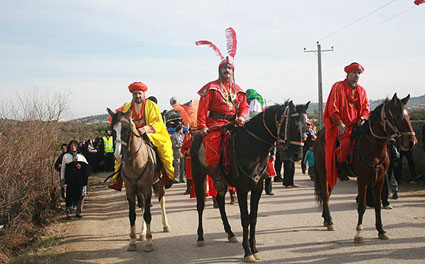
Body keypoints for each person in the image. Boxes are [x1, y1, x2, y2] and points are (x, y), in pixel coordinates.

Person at [108, 82, 175, 191]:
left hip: (151, 135)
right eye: (135, 94)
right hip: (133, 136)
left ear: (144, 94)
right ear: (132, 95)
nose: (137, 96)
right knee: (120, 152)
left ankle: (168, 174)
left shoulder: (151, 105)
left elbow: (158, 122)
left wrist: (145, 129)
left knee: (164, 150)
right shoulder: (127, 107)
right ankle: (118, 179)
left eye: (139, 93)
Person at [197, 56, 249, 195]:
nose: (227, 70)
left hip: (234, 123)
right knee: (213, 145)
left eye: (230, 68)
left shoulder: (238, 89)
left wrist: (242, 117)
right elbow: (202, 108)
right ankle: (217, 178)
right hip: (215, 124)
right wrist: (202, 125)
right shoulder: (211, 87)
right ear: (220, 70)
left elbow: (244, 106)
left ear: (233, 71)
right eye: (225, 68)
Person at [323, 62, 369, 187]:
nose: (356, 75)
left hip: (357, 124)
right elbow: (332, 107)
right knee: (345, 143)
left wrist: (363, 118)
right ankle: (342, 166)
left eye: (358, 73)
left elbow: (366, 108)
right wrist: (339, 123)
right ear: (348, 74)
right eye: (354, 73)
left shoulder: (362, 91)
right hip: (341, 124)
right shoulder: (338, 86)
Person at [61, 140, 90, 219]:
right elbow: (63, 169)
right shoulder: (66, 156)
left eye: (74, 146)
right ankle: (68, 213)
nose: (73, 147)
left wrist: (81, 167)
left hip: (79, 180)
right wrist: (62, 179)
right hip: (70, 180)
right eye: (71, 146)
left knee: (80, 196)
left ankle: (78, 212)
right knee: (69, 197)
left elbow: (87, 168)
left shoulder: (81, 157)